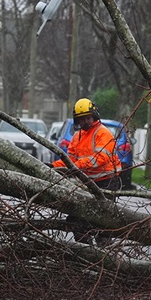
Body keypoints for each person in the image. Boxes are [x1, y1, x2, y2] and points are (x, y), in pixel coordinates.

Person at [51, 98, 121, 243]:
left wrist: (78, 166)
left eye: (87, 118)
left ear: (94, 116)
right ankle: (86, 254)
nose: (85, 122)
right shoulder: (77, 136)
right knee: (81, 223)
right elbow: (69, 160)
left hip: (106, 182)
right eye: (82, 119)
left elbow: (101, 158)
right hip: (87, 183)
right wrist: (54, 166)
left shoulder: (103, 133)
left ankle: (105, 254)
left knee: (103, 222)